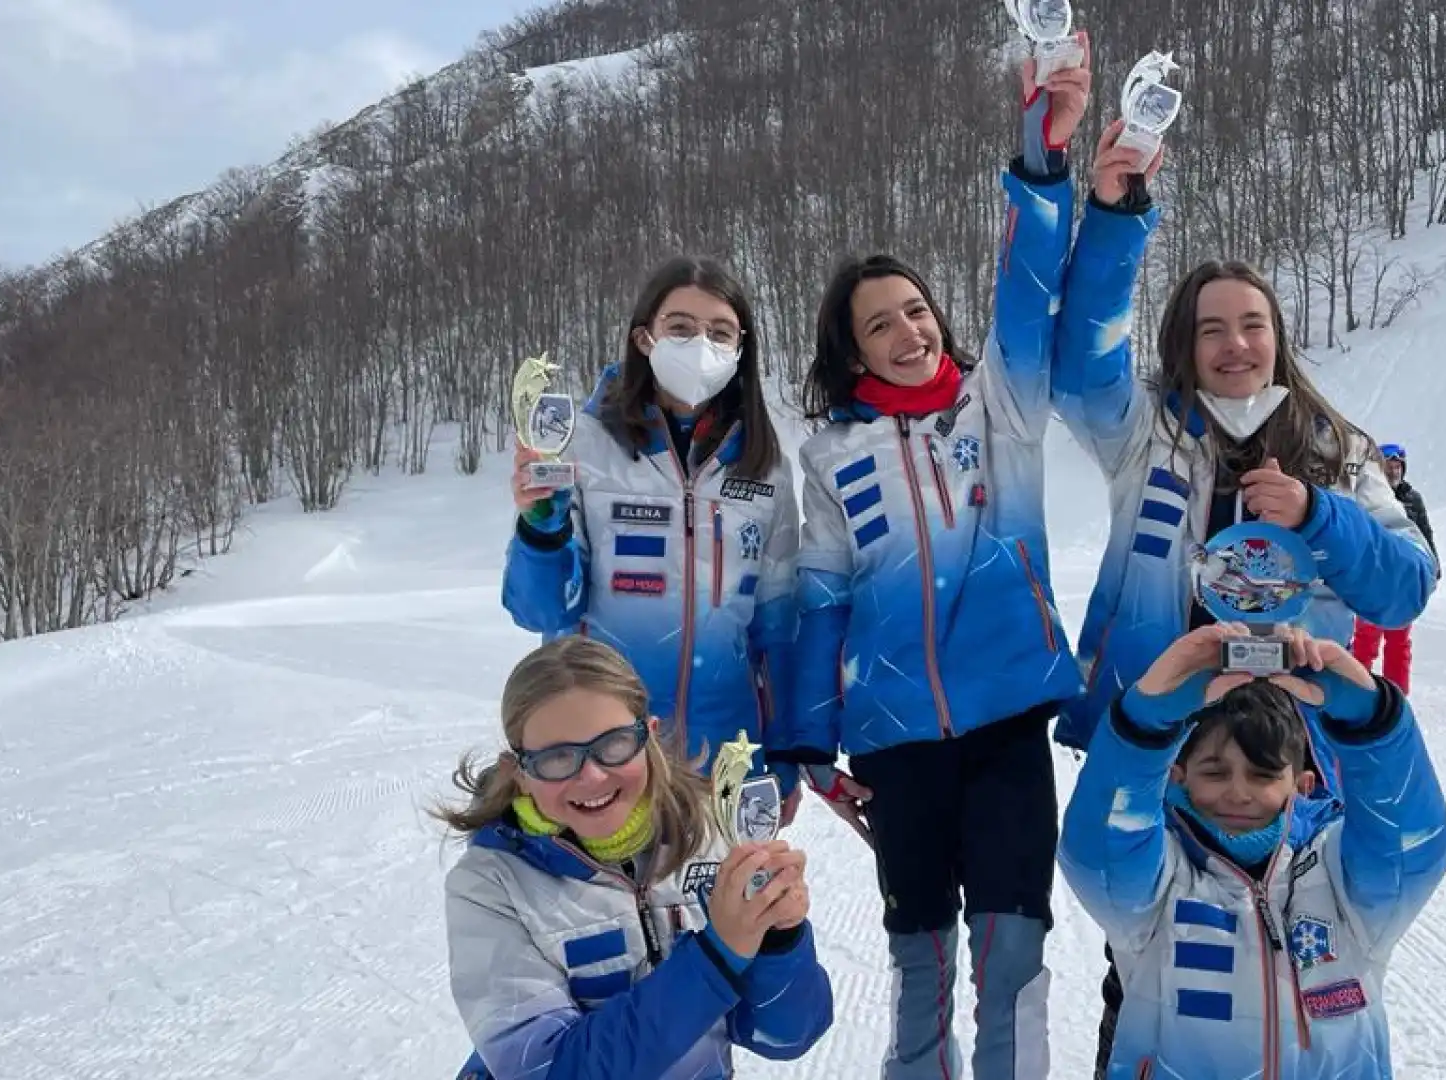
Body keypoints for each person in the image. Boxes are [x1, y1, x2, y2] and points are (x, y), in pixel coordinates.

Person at [1049, 124, 1439, 1076]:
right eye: (1211, 327)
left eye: (1253, 324)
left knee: (1312, 964)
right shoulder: (1145, 432)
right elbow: (1084, 357)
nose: (1235, 344)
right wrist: (1114, 215)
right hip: (1165, 751)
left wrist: (1318, 515)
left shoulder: (1335, 447)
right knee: (1144, 967)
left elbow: (1407, 583)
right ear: (1185, 343)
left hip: (1293, 760)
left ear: (1279, 336)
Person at [763, 40, 1093, 1080]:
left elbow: (1031, 284)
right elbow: (822, 602)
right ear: (850, 352)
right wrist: (809, 740)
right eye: (880, 324)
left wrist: (1040, 160)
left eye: (915, 310)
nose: (908, 330)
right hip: (896, 741)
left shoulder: (998, 404)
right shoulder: (831, 458)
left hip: (1004, 728)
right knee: (919, 967)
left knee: (1012, 958)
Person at [1057, 622, 1446, 1079]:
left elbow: (1411, 847)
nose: (1239, 793)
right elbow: (1099, 853)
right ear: (1179, 775)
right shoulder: (1160, 880)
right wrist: (1144, 722)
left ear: (1302, 785)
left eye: (1263, 775)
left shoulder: (1341, 877)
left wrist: (1372, 720)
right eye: (1215, 772)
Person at [436, 636, 834, 1080]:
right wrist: (718, 956)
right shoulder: (491, 886)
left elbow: (786, 1036)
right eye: (557, 758)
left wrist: (779, 937)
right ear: (520, 773)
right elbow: (549, 1071)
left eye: (614, 744)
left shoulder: (709, 832)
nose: (591, 775)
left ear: (649, 735)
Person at [500, 257, 801, 817]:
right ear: (645, 337)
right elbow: (543, 611)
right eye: (681, 328)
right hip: (606, 752)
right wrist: (542, 527)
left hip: (726, 757)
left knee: (731, 905)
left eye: (719, 332)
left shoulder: (764, 467)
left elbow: (777, 630)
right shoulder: (586, 445)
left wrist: (781, 757)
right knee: (615, 904)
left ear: (741, 349)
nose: (700, 345)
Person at [1350, 442, 1437, 691]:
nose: (1394, 471)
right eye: (1389, 466)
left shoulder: (1410, 499)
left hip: (1401, 579)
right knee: (1366, 640)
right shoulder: (1368, 497)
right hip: (1372, 579)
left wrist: (1433, 565)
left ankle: (1398, 695)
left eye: (1398, 466)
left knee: (1399, 641)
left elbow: (1424, 533)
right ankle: (1357, 689)